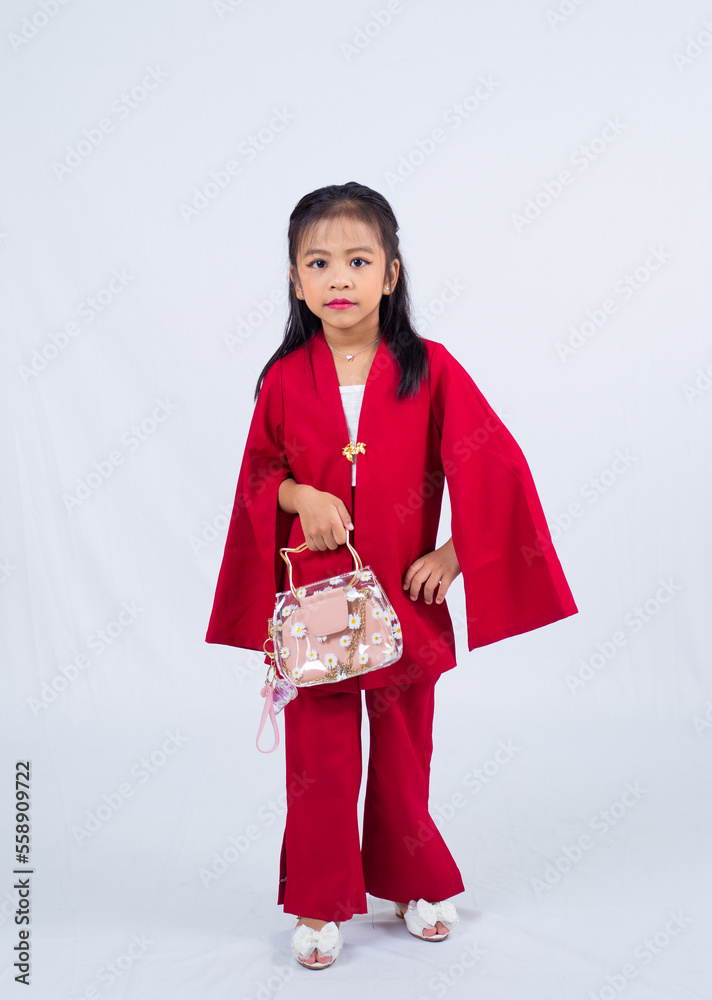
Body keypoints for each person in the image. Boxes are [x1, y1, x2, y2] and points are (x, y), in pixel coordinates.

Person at [205, 181, 578, 970]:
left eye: (357, 259)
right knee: (319, 755)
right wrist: (300, 495)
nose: (338, 278)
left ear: (391, 274)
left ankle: (412, 881)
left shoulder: (429, 369)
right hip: (317, 608)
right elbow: (256, 476)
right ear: (297, 281)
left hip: (404, 602)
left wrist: (453, 554)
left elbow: (491, 464)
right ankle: (319, 900)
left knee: (407, 749)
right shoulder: (283, 379)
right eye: (318, 262)